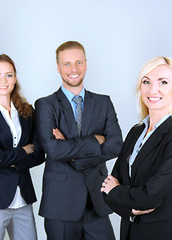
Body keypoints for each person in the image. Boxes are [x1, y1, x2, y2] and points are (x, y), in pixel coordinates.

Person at [35, 41, 123, 240]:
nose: (73, 69)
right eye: (67, 64)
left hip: (97, 201)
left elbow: (116, 145)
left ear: (86, 64)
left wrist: (71, 151)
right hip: (60, 204)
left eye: (78, 62)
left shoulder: (104, 102)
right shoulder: (45, 105)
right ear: (58, 67)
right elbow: (53, 150)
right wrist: (95, 140)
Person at [101, 56, 172, 240]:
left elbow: (151, 196)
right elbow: (106, 190)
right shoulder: (135, 132)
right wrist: (132, 208)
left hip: (157, 233)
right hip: (128, 232)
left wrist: (117, 191)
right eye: (146, 82)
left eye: (163, 82)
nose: (153, 89)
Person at [0, 54, 45, 240]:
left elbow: (38, 154)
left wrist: (13, 159)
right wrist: (23, 151)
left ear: (15, 78)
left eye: (9, 75)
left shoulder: (27, 111)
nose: (3, 80)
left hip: (22, 199)